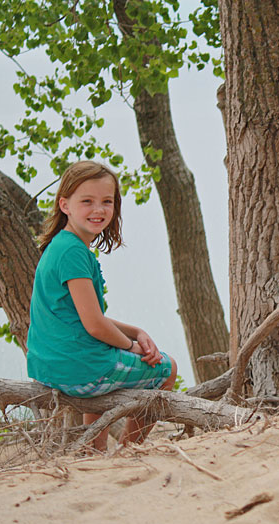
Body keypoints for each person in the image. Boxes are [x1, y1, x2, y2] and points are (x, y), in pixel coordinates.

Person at [27, 160, 177, 451]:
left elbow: (89, 317)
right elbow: (95, 325)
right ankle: (128, 451)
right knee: (166, 369)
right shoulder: (72, 252)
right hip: (77, 369)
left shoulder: (63, 245)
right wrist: (130, 346)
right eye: (87, 201)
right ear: (65, 205)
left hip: (50, 365)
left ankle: (94, 452)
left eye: (106, 201)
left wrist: (135, 332)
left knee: (104, 356)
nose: (98, 210)